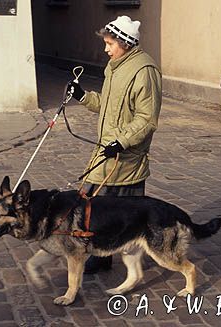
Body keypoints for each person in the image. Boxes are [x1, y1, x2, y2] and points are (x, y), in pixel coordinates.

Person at [67, 16, 162, 274]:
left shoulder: (144, 71)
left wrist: (121, 141)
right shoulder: (114, 66)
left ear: (125, 43)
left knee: (121, 212)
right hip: (106, 150)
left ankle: (132, 255)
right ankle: (101, 255)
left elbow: (147, 119)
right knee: (95, 205)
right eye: (106, 43)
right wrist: (82, 96)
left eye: (110, 43)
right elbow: (107, 105)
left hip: (126, 157)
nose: (106, 49)